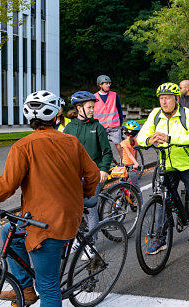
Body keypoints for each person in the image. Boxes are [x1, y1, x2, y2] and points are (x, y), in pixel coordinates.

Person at [0, 91, 100, 306]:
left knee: (48, 286)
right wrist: (83, 195)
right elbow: (92, 175)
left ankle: (34, 289)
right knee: (9, 232)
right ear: (57, 117)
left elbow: (7, 186)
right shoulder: (72, 142)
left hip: (45, 224)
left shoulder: (23, 145)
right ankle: (26, 288)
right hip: (65, 215)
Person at [137, 82, 189, 257]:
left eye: (167, 98)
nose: (164, 102)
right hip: (166, 165)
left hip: (187, 164)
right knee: (163, 200)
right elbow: (141, 136)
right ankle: (160, 238)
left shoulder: (188, 114)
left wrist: (170, 138)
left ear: (176, 99)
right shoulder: (155, 114)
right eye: (161, 98)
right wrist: (149, 140)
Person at [64, 91, 113, 249]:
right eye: (89, 107)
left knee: (91, 208)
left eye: (93, 107)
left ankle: (91, 244)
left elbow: (107, 152)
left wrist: (103, 169)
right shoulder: (70, 128)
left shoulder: (97, 127)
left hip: (94, 175)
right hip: (75, 175)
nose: (93, 110)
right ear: (79, 108)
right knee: (72, 207)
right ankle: (77, 239)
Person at [93, 75, 125, 161]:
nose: (108, 85)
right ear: (100, 85)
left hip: (114, 126)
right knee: (102, 149)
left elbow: (119, 110)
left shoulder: (114, 95)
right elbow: (92, 113)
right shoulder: (94, 97)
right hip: (101, 127)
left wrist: (120, 124)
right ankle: (106, 165)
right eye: (106, 83)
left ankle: (125, 164)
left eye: (109, 83)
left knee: (119, 146)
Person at [121, 120, 143, 194]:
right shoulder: (135, 141)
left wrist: (135, 162)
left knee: (120, 185)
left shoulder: (123, 143)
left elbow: (129, 154)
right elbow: (134, 154)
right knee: (136, 188)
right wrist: (135, 163)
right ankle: (140, 204)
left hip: (124, 167)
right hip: (132, 167)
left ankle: (118, 202)